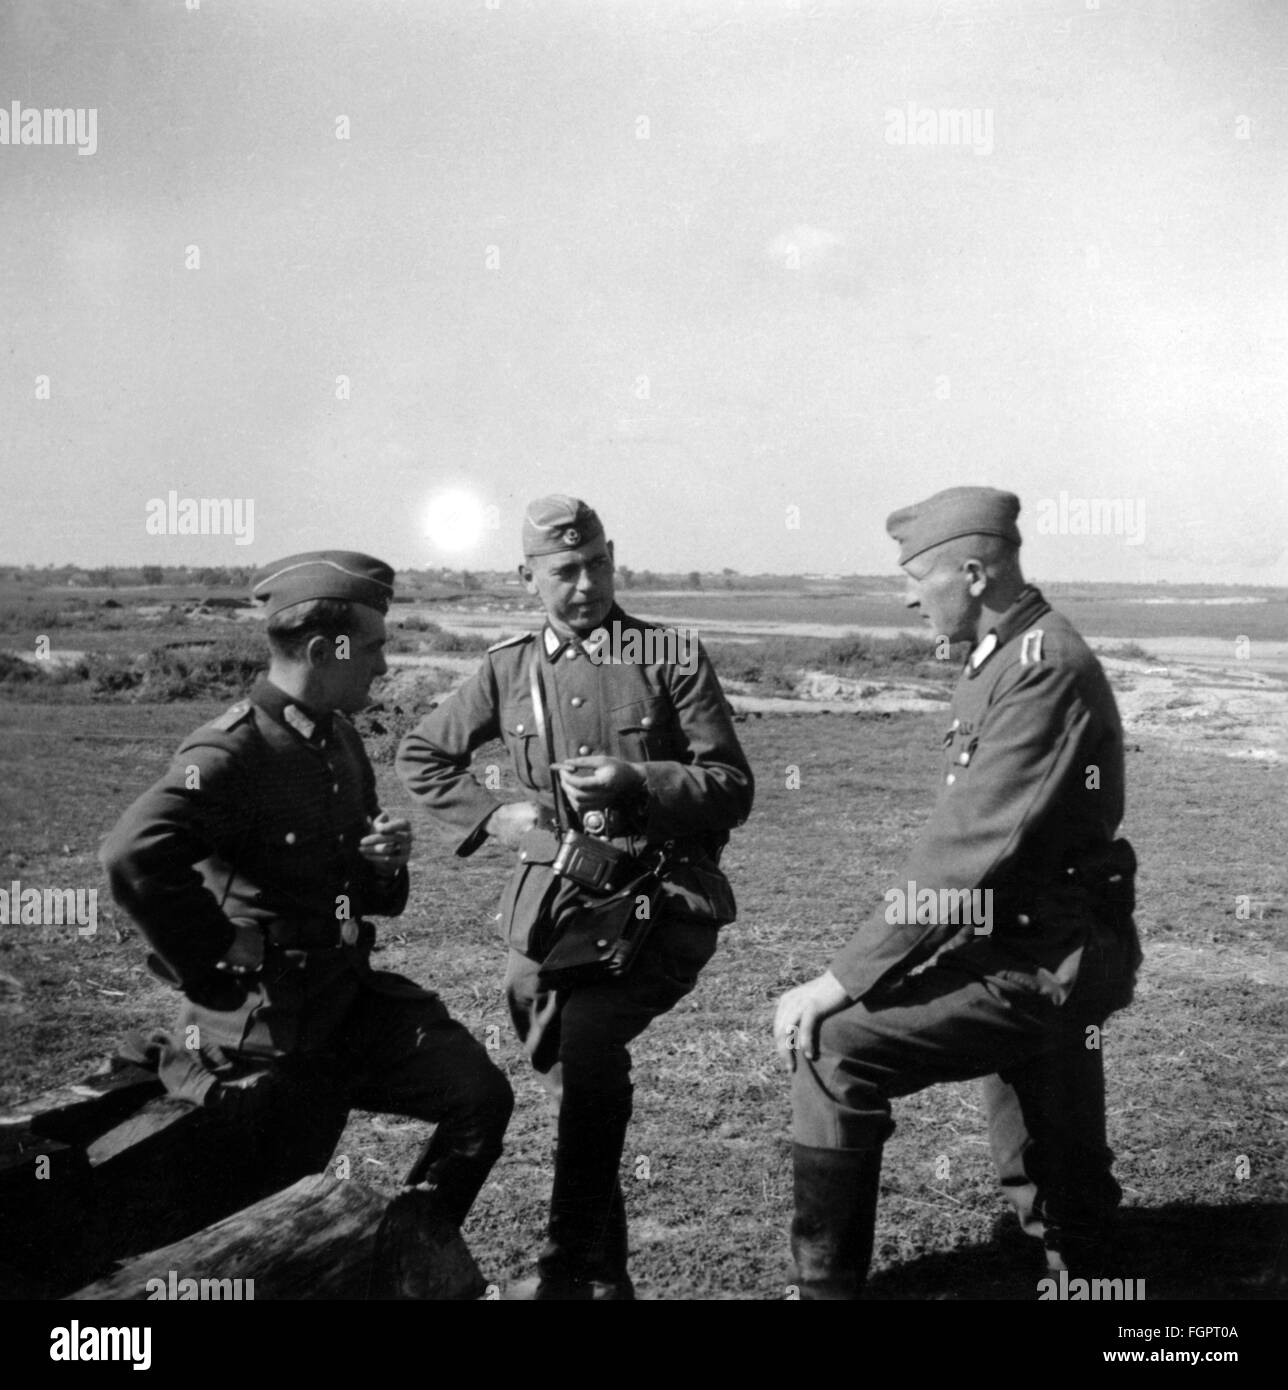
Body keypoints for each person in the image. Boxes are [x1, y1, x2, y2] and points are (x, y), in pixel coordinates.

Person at [773, 487, 1142, 1299]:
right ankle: (1094, 1278)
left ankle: (825, 1291)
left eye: (918, 577)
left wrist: (840, 982)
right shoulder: (1008, 657)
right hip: (1031, 942)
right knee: (1056, 1167)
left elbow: (964, 853)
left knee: (836, 1049)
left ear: (973, 573)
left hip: (1045, 955)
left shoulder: (1044, 667)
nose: (908, 595)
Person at [396, 496, 754, 1299]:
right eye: (564, 570)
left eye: (597, 563)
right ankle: (604, 1277)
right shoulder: (508, 668)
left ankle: (570, 1270)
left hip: (660, 901)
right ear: (527, 578)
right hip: (553, 910)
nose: (585, 582)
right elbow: (421, 754)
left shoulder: (668, 655)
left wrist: (644, 782)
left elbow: (731, 785)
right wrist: (495, 816)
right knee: (573, 1068)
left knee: (588, 1051)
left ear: (613, 556)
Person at [101, 551, 513, 1239]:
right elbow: (130, 852)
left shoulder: (339, 738)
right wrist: (216, 946)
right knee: (261, 1222)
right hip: (270, 1032)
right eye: (375, 649)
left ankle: (407, 1256)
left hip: (345, 1006)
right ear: (325, 649)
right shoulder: (230, 753)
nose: (384, 666)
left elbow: (360, 888)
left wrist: (382, 863)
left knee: (478, 1096)